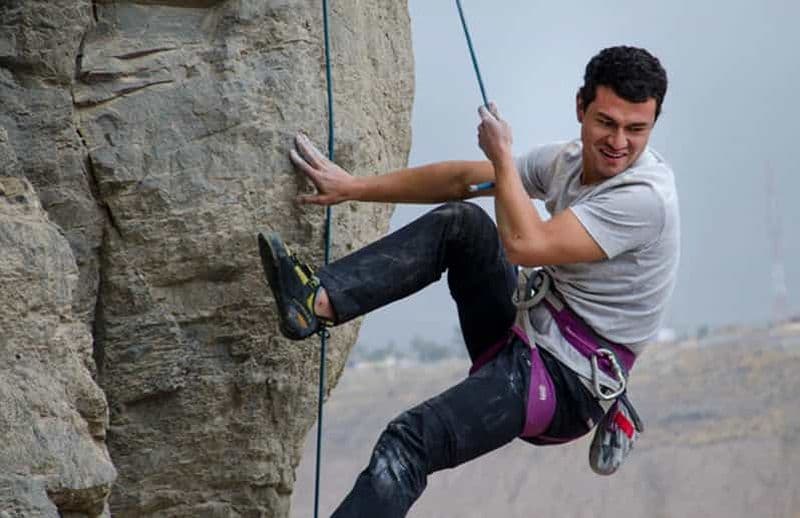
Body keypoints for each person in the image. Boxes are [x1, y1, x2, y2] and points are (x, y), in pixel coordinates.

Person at [258, 45, 678, 517]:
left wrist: (501, 156)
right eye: (607, 122)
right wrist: (354, 188)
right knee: (465, 224)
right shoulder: (565, 162)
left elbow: (524, 245)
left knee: (408, 443)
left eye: (636, 129)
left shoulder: (643, 200)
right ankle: (316, 302)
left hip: (565, 384)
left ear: (653, 124)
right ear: (581, 107)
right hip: (526, 337)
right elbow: (462, 181)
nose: (618, 142)